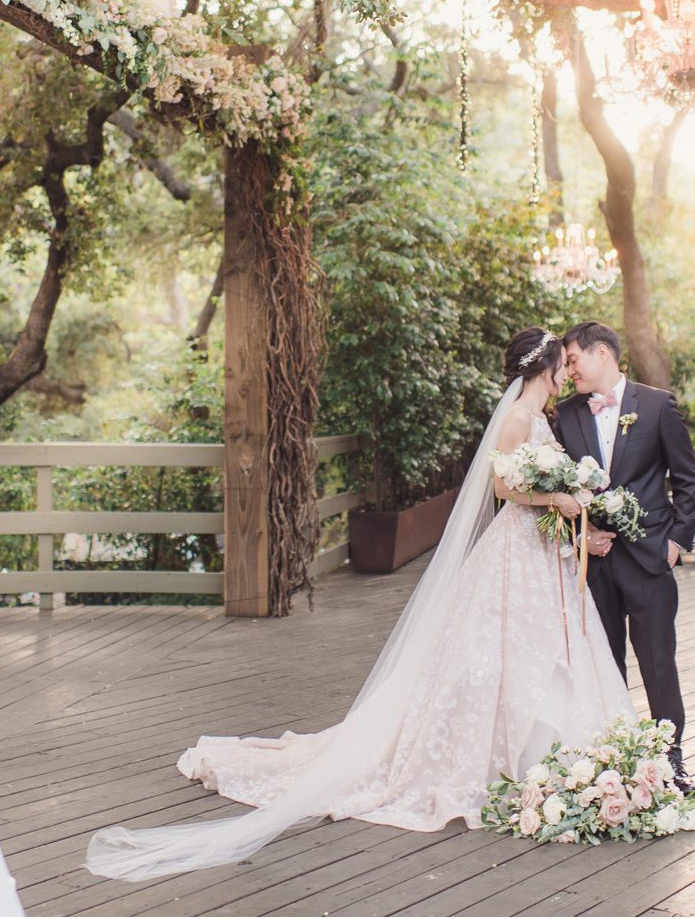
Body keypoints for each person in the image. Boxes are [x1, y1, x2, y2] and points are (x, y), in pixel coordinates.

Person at [84, 327, 631, 881]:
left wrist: (570, 513)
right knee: (492, 653)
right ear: (544, 368)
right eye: (563, 363)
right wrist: (554, 496)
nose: (568, 371)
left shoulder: (544, 420)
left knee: (538, 652)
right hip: (513, 554)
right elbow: (503, 489)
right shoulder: (517, 418)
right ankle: (504, 760)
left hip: (540, 554)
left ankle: (548, 755)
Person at [554, 321, 695, 794]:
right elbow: (556, 487)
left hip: (649, 557)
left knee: (659, 662)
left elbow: (688, 477)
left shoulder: (657, 405)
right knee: (605, 662)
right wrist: (581, 537)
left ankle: (670, 760)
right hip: (592, 563)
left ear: (602, 353)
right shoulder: (565, 415)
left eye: (573, 359)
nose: (569, 369)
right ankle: (613, 757)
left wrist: (676, 543)